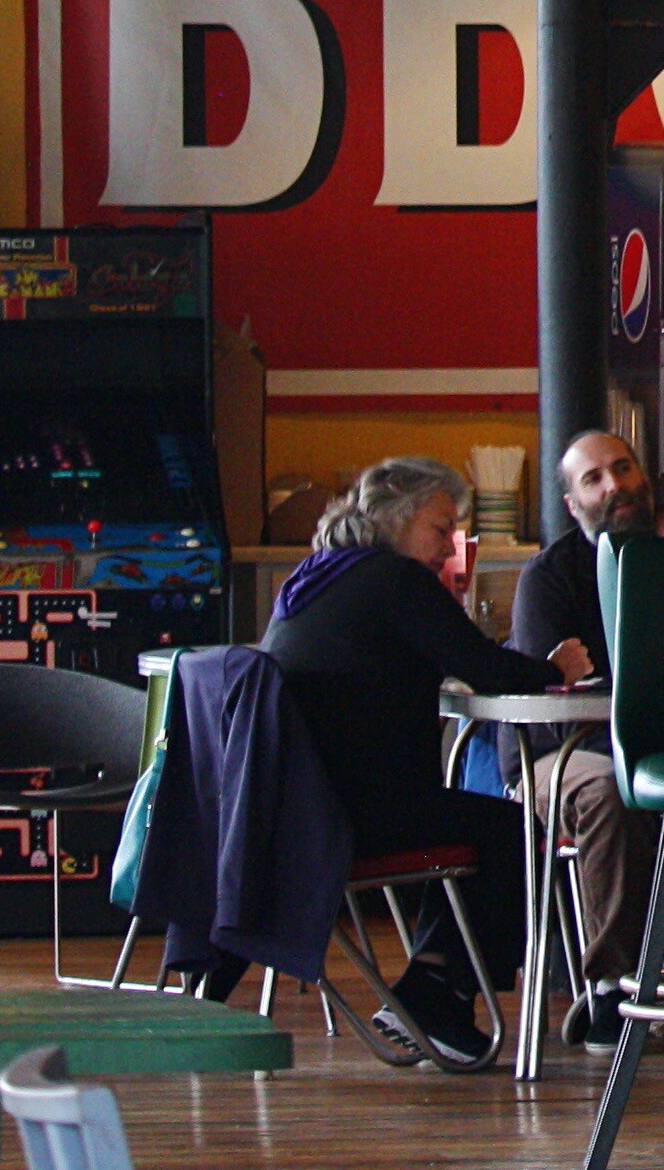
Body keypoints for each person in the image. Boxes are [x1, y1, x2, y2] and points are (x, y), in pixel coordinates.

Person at [263, 456, 584, 1072]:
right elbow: (487, 669)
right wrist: (556, 668)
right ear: (398, 519)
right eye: (440, 529)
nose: (449, 546)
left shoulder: (316, 575)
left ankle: (434, 988)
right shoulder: (395, 580)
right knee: (514, 832)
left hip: (304, 808)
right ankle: (440, 996)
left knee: (474, 822)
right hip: (357, 814)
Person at [503, 430, 664, 1047]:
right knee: (613, 788)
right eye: (594, 479)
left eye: (623, 468)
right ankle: (610, 988)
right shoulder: (550, 578)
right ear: (572, 501)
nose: (616, 486)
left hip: (660, 747)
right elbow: (548, 708)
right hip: (556, 758)